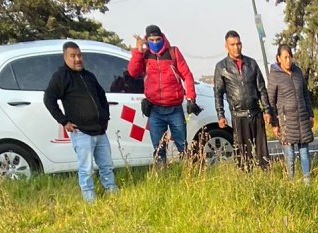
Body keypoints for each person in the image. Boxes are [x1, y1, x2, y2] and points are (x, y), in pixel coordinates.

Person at [43, 42, 117, 204]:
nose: (77, 59)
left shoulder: (88, 75)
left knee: (107, 165)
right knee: (86, 169)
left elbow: (101, 96)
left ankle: (112, 193)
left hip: (99, 131)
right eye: (73, 56)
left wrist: (105, 117)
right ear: (65, 57)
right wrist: (63, 121)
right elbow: (49, 99)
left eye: (79, 55)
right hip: (81, 132)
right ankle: (90, 200)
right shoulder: (61, 77)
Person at [128, 24, 197, 166]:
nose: (154, 42)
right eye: (151, 40)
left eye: (157, 39)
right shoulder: (145, 56)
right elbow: (133, 72)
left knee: (182, 146)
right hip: (155, 110)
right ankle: (162, 178)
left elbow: (187, 75)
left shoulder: (173, 52)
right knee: (159, 149)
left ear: (162, 37)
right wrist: (138, 51)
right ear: (147, 40)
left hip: (174, 109)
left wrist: (190, 97)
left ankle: (188, 175)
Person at [213, 30, 274, 170]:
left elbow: (261, 89)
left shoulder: (251, 64)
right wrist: (220, 115)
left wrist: (267, 110)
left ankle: (267, 178)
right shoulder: (221, 67)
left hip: (256, 114)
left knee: (262, 152)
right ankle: (247, 180)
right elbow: (218, 93)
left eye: (238, 44)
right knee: (243, 154)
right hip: (238, 116)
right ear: (226, 46)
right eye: (232, 44)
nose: (236, 47)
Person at [268, 45, 315, 183]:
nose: (288, 60)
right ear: (279, 59)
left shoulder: (298, 72)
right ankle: (291, 183)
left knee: (305, 153)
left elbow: (305, 94)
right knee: (290, 155)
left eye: (290, 57)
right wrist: (274, 124)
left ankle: (307, 183)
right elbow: (271, 101)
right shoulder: (275, 76)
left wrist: (310, 114)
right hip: (286, 121)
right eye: (285, 57)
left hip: (302, 119)